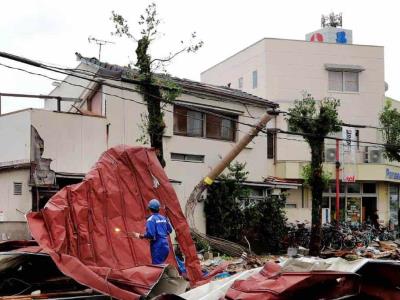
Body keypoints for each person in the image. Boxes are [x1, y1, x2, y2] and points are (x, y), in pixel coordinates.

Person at [131, 199, 173, 264]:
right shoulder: (164, 218)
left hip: (157, 247)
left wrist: (139, 235)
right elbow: (170, 230)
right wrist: (162, 235)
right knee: (161, 265)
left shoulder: (151, 220)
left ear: (150, 208)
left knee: (157, 267)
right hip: (165, 246)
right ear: (159, 208)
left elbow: (151, 234)